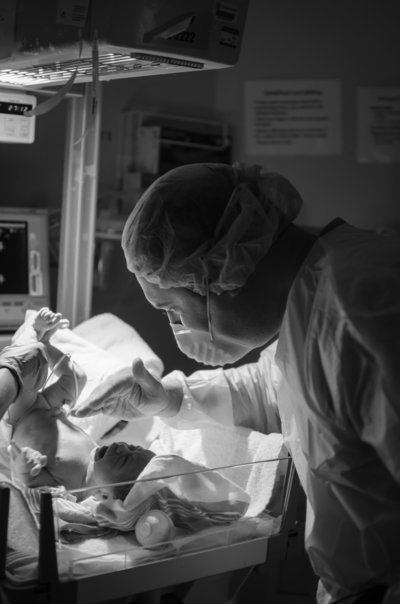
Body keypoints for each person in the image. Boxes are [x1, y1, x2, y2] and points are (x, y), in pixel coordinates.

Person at [72, 162, 400, 604]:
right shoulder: (315, 294)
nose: (177, 326)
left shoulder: (361, 315)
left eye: (172, 308)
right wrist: (168, 399)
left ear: (221, 271)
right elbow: (274, 386)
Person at [0, 307, 155, 500]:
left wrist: (25, 467)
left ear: (104, 494)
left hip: (21, 418)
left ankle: (33, 334)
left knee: (32, 360)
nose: (123, 446)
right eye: (133, 447)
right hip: (51, 408)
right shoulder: (94, 455)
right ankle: (46, 342)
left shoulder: (70, 490)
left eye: (123, 459)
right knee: (78, 377)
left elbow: (30, 485)